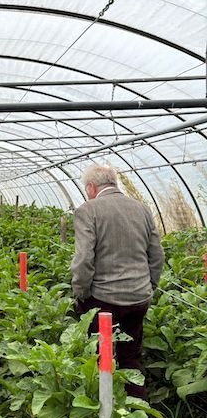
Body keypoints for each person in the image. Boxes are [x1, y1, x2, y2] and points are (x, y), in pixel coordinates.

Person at [71, 165, 165, 399]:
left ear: (91, 187)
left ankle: (101, 406)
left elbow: (83, 259)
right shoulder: (141, 208)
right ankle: (136, 407)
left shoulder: (87, 210)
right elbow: (157, 255)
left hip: (102, 300)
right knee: (130, 356)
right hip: (139, 298)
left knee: (98, 355)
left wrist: (81, 293)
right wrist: (149, 286)